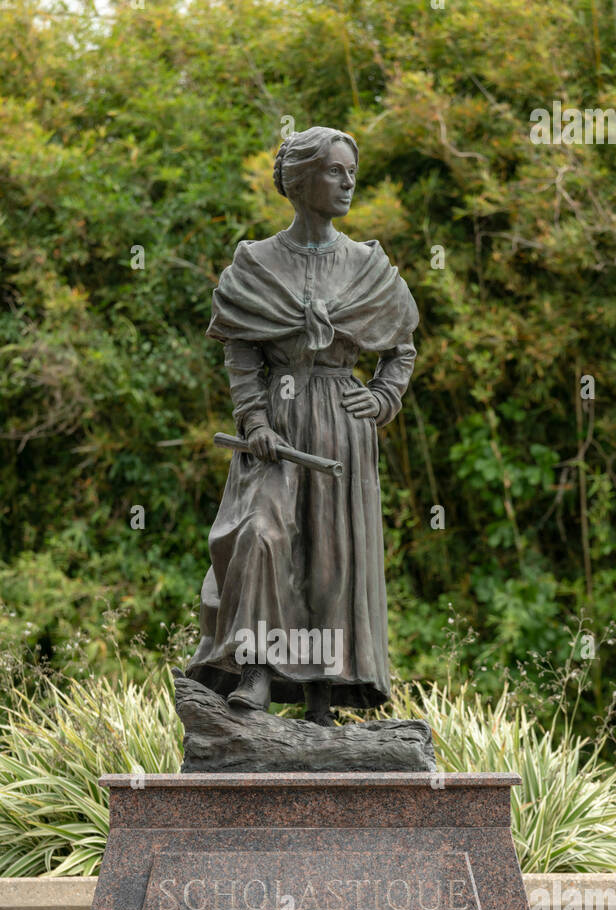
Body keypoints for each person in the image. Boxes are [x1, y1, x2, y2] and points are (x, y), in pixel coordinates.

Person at [187, 125, 418, 725]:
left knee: (330, 558)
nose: (348, 183)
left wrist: (385, 397)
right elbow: (242, 353)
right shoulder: (256, 264)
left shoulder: (367, 265)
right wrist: (254, 418)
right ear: (300, 180)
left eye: (351, 173)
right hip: (276, 432)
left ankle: (324, 700)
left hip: (342, 426)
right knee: (262, 536)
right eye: (335, 172)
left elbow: (402, 346)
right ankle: (257, 672)